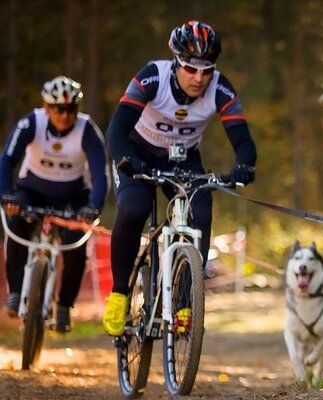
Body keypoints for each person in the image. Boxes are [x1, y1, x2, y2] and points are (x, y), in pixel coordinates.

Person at [102, 20, 257, 336]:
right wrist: (124, 160)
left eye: (207, 69)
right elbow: (117, 128)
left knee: (201, 211)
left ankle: (185, 300)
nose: (199, 78)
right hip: (137, 152)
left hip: (184, 158)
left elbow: (242, 138)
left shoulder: (221, 88)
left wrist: (244, 166)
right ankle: (119, 294)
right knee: (133, 208)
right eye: (190, 68)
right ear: (176, 62)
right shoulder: (152, 77)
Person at [0, 75, 109, 332]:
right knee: (16, 226)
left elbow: (101, 174)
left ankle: (64, 307)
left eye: (71, 109)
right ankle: (15, 292)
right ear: (47, 107)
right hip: (32, 191)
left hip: (73, 198)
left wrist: (92, 207)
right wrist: (6, 196)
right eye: (58, 109)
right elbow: (6, 160)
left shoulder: (88, 130)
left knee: (75, 246)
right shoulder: (30, 123)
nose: (65, 115)